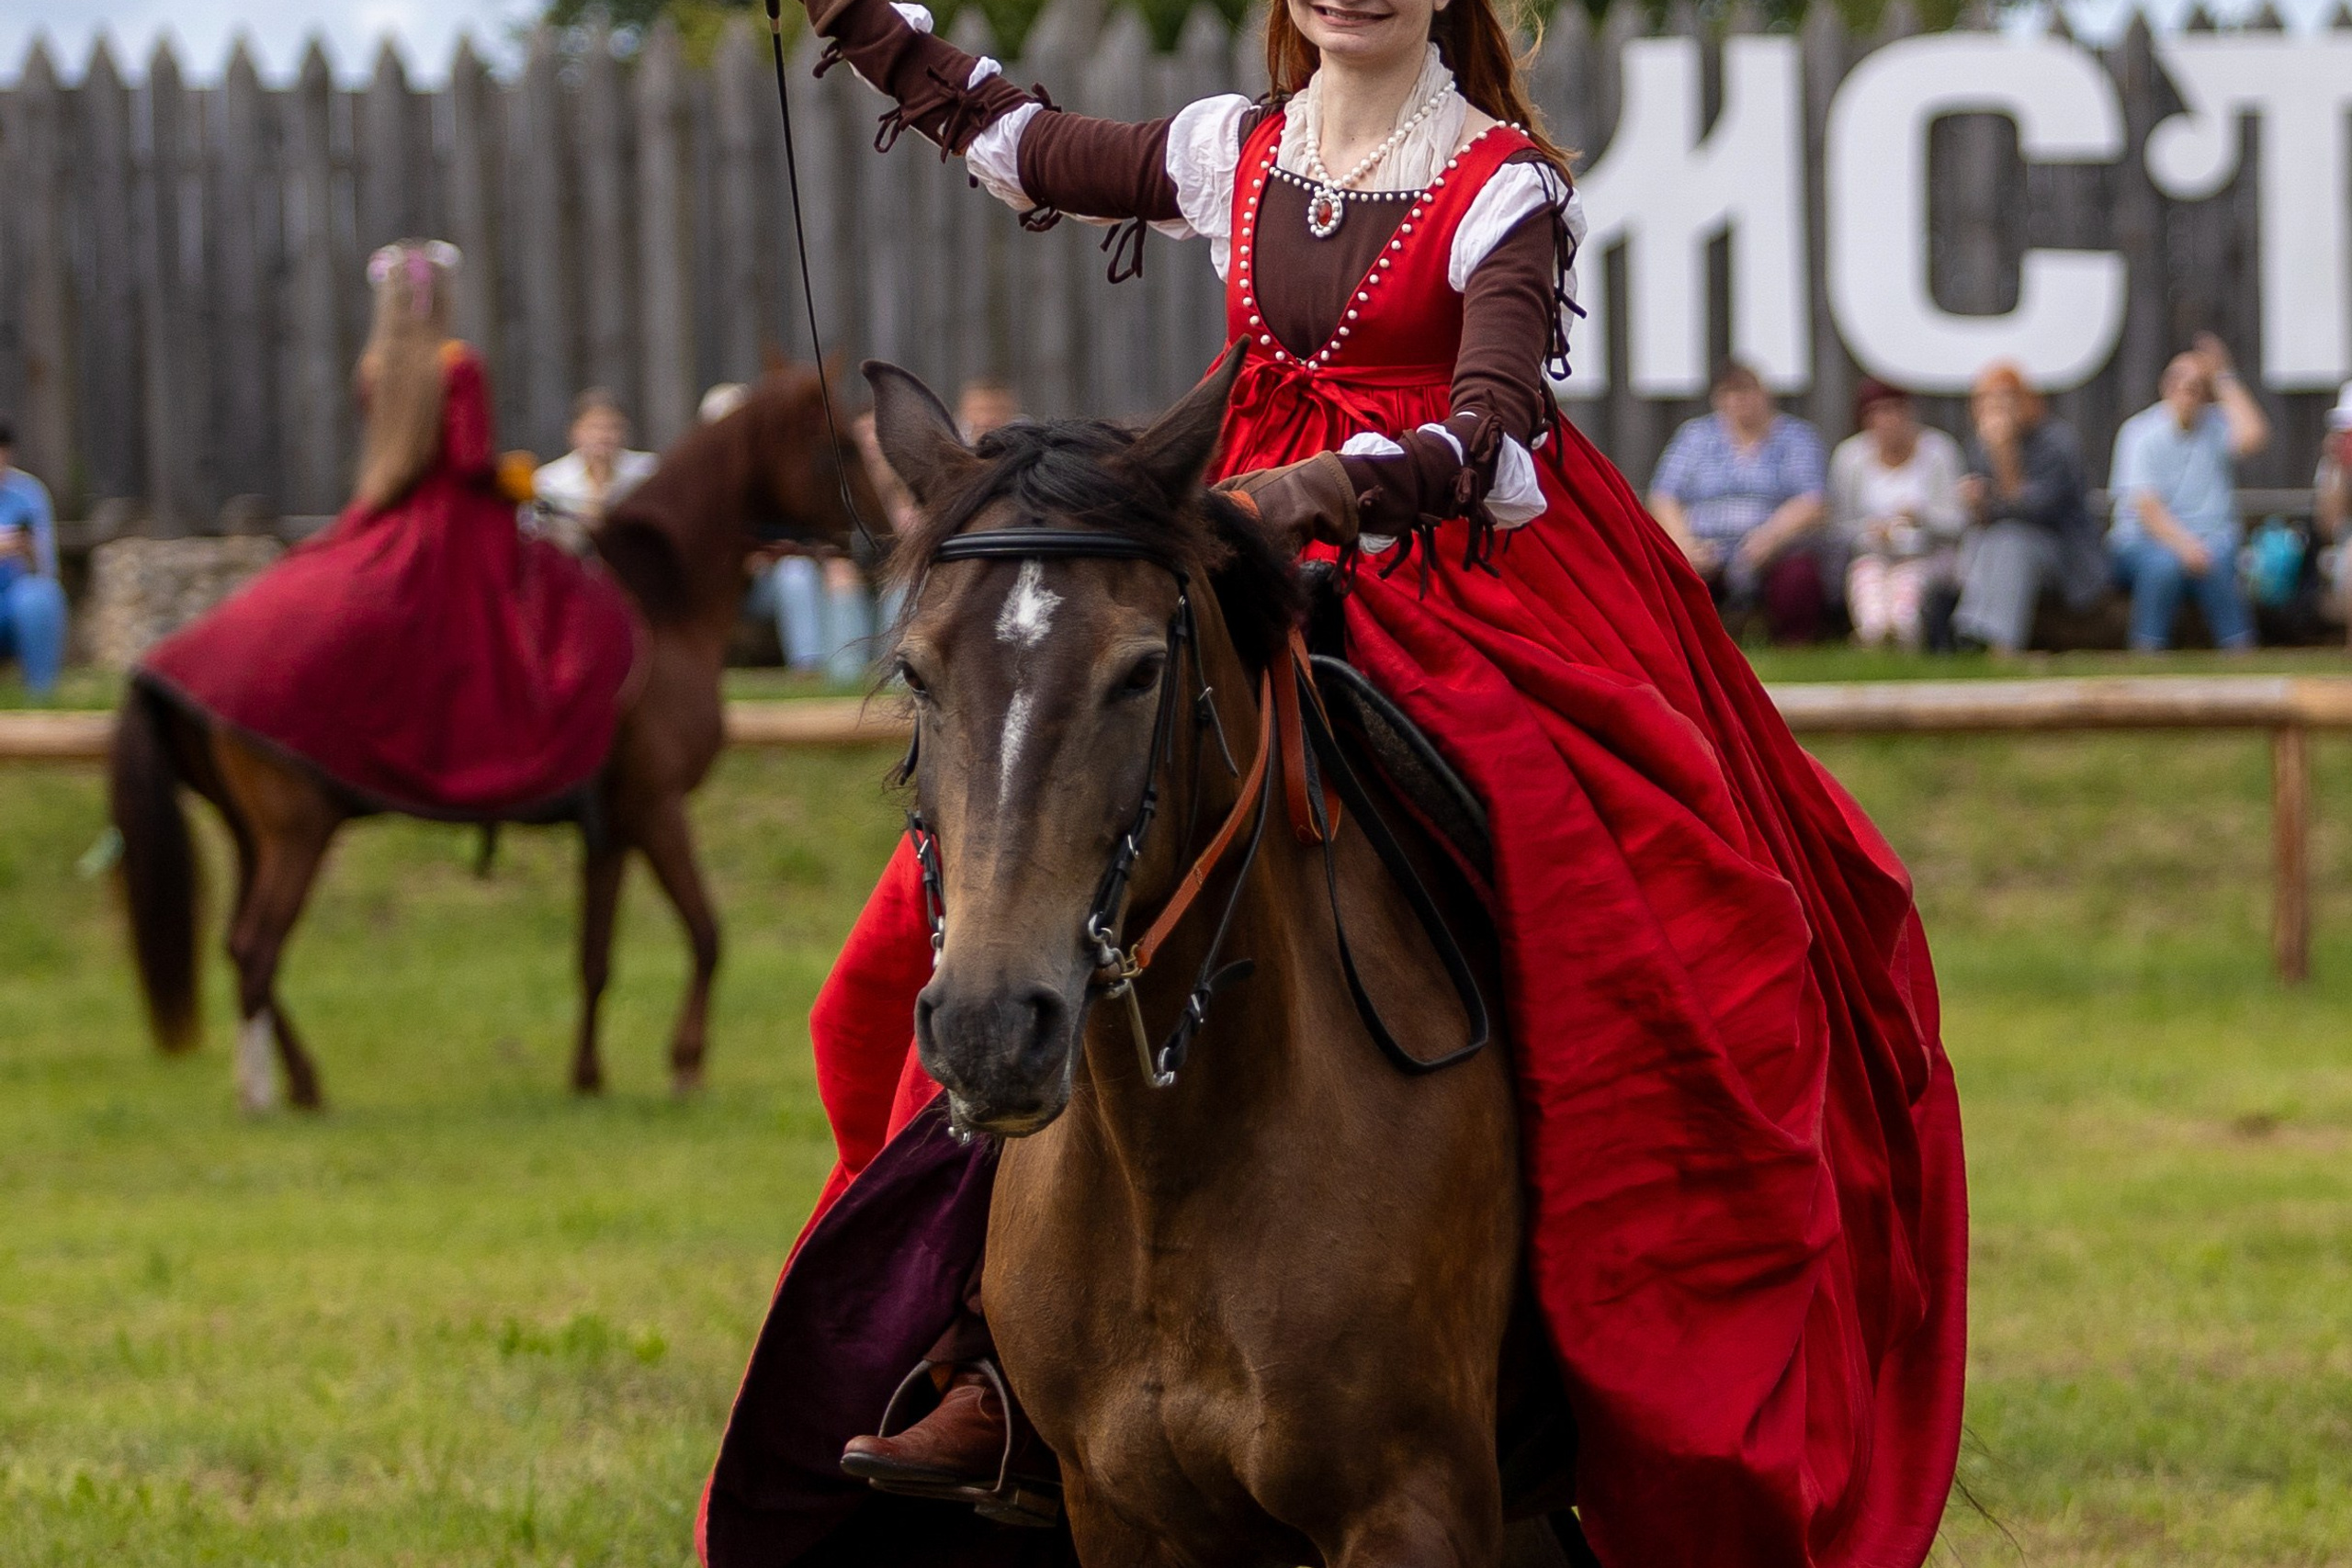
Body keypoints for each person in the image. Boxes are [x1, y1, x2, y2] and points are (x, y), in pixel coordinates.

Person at [700, 5, 1966, 1566]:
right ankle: (986, 1348)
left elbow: (1500, 436)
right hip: (1223, 553)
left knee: (1636, 900)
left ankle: (1603, 1341)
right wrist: (863, 22)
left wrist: (1318, 489)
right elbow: (1018, 144)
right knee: (967, 884)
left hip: (1450, 574)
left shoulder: (1503, 182)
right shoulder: (1237, 148)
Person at [137, 242, 639, 818]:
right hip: (458, 524)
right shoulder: (458, 364)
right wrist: (516, 477)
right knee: (548, 608)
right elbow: (471, 462)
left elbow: (400, 456)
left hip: (388, 510)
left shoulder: (375, 370)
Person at [2106, 334, 2271, 652]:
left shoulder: (2216, 426)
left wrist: (2223, 375)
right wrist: (2186, 547)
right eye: (2177, 380)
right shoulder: (2139, 433)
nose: (2185, 389)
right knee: (2163, 567)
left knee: (2221, 561)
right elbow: (2146, 507)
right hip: (2145, 541)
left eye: (2196, 384)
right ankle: (2148, 650)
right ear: (2164, 386)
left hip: (2210, 541)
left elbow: (2254, 436)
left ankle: (2239, 650)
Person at [1647, 360, 1830, 642]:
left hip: (1772, 545)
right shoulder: (1695, 437)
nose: (1740, 401)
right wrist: (1685, 544)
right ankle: (1694, 647)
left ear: (1766, 394)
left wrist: (1771, 537)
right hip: (1706, 546)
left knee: (1798, 578)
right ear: (1718, 400)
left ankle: (1793, 644)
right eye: (1731, 393)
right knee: (1672, 574)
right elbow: (1664, 495)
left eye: (1747, 392)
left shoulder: (1795, 437)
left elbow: (1811, 500)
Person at [1949, 362, 2104, 654]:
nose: (1996, 411)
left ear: (2028, 401)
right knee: (1984, 540)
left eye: (2004, 400)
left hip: (2066, 555)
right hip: (2001, 547)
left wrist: (2004, 453)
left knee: (2011, 542)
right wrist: (1976, 502)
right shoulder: (1980, 446)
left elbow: (2032, 510)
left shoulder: (2057, 443)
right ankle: (1969, 634)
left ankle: (2003, 646)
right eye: (1986, 402)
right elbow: (1988, 518)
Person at [1829, 379, 1968, 650]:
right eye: (1878, 413)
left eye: (1895, 410)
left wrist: (1921, 517)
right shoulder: (1849, 458)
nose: (1888, 420)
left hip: (1928, 555)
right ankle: (1874, 636)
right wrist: (1870, 531)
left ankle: (1907, 637)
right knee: (1868, 582)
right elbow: (1838, 527)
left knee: (1908, 587)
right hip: (1871, 553)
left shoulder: (1938, 452)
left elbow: (1958, 522)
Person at [530, 389, 660, 556]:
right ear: (575, 432)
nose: (603, 436)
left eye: (612, 427)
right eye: (594, 427)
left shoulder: (649, 471)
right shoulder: (549, 481)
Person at [0, 419, 69, 698]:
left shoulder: (28, 494)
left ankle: (40, 695)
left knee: (41, 596)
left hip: (12, 601)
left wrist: (26, 551)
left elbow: (46, 571)